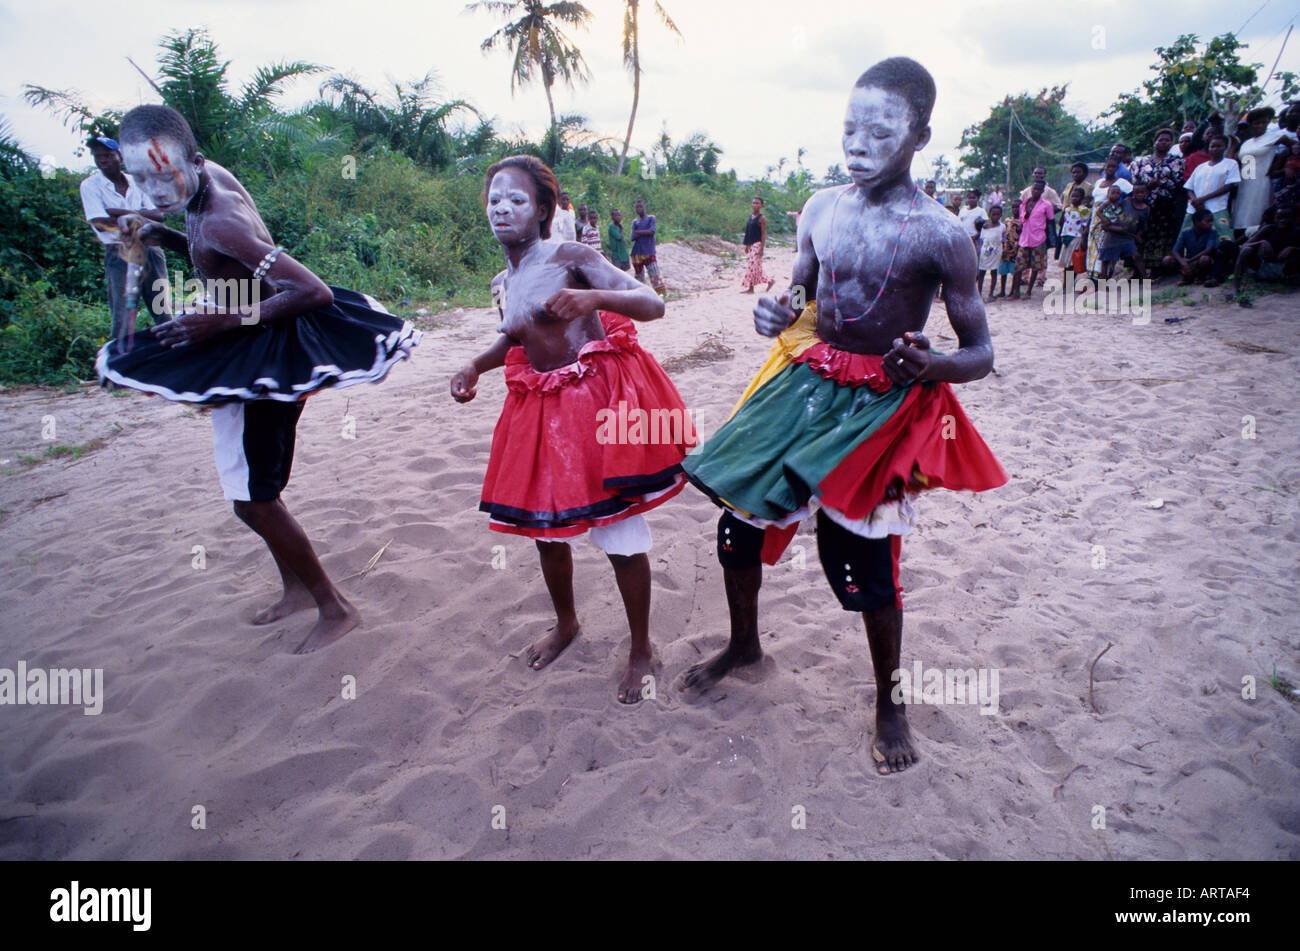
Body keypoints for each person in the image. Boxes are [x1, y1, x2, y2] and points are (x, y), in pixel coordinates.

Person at [678, 58, 1006, 775]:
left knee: (863, 561)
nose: (858, 142)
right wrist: (777, 311)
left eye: (880, 129)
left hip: (883, 401)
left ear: (920, 135)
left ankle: (890, 702)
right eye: (850, 127)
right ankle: (744, 643)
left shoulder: (942, 233)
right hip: (806, 381)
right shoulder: (821, 207)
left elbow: (980, 350)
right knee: (736, 525)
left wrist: (937, 364)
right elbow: (799, 292)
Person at [98, 105, 420, 654]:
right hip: (251, 344)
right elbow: (215, 254)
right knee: (253, 490)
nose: (153, 191)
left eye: (164, 176)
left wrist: (221, 320)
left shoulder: (220, 215)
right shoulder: (205, 181)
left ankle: (334, 607)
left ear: (194, 161)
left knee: (253, 499)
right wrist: (163, 234)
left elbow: (311, 291)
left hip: (261, 355)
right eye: (141, 178)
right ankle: (296, 587)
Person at [450, 156, 692, 704]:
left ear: (541, 210)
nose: (502, 210)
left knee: (619, 532)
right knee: (544, 529)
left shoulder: (572, 255)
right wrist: (474, 366)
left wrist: (593, 298)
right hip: (540, 407)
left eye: (515, 200)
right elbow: (513, 337)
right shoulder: (504, 280)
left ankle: (640, 649)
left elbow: (652, 303)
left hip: (596, 403)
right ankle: (567, 623)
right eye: (493, 201)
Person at [79, 135, 170, 344]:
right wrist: (139, 216)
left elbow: (159, 216)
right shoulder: (90, 185)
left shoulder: (138, 182)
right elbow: (99, 221)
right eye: (98, 156)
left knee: (161, 306)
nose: (103, 160)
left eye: (108, 155)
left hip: (150, 248)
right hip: (119, 250)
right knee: (122, 311)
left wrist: (122, 214)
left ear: (120, 156)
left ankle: (173, 355)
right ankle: (120, 363)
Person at [1232, 108, 1297, 239]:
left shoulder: (1275, 136)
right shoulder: (1247, 143)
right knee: (1241, 218)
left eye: (1264, 122)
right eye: (1257, 123)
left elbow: (1295, 147)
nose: (1261, 126)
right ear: (1251, 125)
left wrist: (1282, 161)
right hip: (1245, 183)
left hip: (1261, 182)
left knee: (1258, 216)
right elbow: (1239, 160)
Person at [1131, 128, 1186, 273]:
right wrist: (1148, 186)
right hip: (1145, 205)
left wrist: (1162, 184)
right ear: (1155, 142)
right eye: (1160, 139)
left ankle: (1159, 269)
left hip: (1165, 205)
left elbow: (1179, 183)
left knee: (1163, 235)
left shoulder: (1176, 161)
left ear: (1171, 143)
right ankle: (1139, 270)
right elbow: (1135, 183)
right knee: (1143, 235)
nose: (1163, 143)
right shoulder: (1141, 161)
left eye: (1167, 140)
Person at [1229, 204, 1300, 302]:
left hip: (1286, 269)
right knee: (1246, 250)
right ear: (1274, 218)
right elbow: (1245, 245)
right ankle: (1236, 288)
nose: (1282, 221)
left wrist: (1293, 249)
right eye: (1279, 217)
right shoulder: (1268, 229)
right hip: (1263, 266)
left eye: (1286, 218)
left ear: (1293, 219)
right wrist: (1261, 242)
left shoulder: (1297, 231)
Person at [1184, 134, 1240, 238]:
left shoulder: (1231, 164)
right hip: (1195, 209)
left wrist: (1203, 199)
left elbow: (1229, 186)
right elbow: (1189, 187)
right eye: (1212, 146)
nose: (1215, 149)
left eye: (1219, 146)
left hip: (1216, 207)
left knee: (1223, 237)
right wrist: (1195, 200)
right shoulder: (1200, 167)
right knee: (1189, 238)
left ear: (1225, 147)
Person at [1087, 156, 1132, 276]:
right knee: (1093, 247)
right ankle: (1092, 278)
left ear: (1117, 168)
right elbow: (1093, 202)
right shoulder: (1098, 182)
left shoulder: (1121, 183)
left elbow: (1131, 197)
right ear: (1104, 167)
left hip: (1108, 219)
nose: (1110, 168)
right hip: (1095, 218)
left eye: (1113, 166)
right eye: (1108, 166)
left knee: (1105, 249)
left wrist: (1121, 213)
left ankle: (1104, 278)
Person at [1097, 181, 1149, 280]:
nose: (1140, 195)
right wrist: (1105, 222)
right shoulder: (1126, 202)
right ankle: (1103, 283)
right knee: (1106, 260)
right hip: (1112, 236)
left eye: (1142, 192)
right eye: (1137, 192)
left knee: (1136, 256)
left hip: (1126, 236)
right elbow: (1100, 213)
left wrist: (1138, 235)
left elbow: (1143, 225)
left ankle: (1145, 279)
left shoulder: (1145, 209)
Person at [1011, 180, 1054, 298]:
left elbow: (1051, 222)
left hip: (1039, 239)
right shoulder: (1023, 204)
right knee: (1019, 266)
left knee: (1035, 267)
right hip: (1024, 240)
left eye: (1039, 189)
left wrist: (1051, 241)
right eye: (1034, 189)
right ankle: (1016, 292)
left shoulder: (1046, 205)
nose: (1036, 191)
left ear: (1042, 191)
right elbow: (1021, 222)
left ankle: (1029, 291)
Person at [1162, 207, 1224, 286]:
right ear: (1197, 222)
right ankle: (1186, 277)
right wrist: (1183, 263)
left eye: (1211, 221)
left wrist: (1189, 261)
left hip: (1199, 261)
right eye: (1208, 221)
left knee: (1205, 259)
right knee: (1167, 260)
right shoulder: (1185, 233)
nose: (1211, 223)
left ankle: (1200, 277)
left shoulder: (1212, 232)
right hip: (1188, 260)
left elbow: (1208, 250)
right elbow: (1175, 251)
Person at [630, 198, 666, 294]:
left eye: (640, 207)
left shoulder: (651, 218)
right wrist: (643, 232)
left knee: (654, 273)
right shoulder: (635, 222)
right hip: (636, 252)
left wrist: (638, 232)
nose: (639, 209)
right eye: (637, 207)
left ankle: (661, 294)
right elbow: (632, 237)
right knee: (639, 276)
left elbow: (652, 231)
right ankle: (640, 295)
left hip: (649, 251)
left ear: (644, 207)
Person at [741, 196, 775, 293]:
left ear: (761, 206)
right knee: (756, 267)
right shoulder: (751, 217)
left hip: (757, 245)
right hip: (751, 244)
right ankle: (770, 281)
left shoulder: (762, 218)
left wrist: (762, 249)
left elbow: (763, 234)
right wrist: (747, 245)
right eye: (753, 203)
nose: (755, 205)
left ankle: (751, 289)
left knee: (752, 266)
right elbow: (748, 232)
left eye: (757, 203)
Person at [1059, 185, 1090, 284]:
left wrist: (1084, 241)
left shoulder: (1084, 210)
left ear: (1082, 198)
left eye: (1076, 197)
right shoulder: (1068, 209)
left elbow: (1085, 227)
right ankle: (1065, 285)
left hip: (1076, 238)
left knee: (1073, 263)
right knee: (1066, 263)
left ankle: (1068, 285)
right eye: (1072, 196)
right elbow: (1061, 223)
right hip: (1066, 237)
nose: (1074, 199)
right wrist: (1063, 212)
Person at [976, 202, 1005, 299]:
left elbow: (1003, 239)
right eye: (993, 214)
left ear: (1001, 215)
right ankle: (978, 293)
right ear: (989, 214)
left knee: (994, 272)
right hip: (985, 252)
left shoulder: (1002, 227)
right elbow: (982, 239)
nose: (996, 216)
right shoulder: (984, 226)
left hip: (996, 253)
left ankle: (991, 294)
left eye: (998, 214)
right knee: (982, 273)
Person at [994, 198, 1022, 297]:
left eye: (1017, 207)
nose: (1015, 209)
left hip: (1016, 250)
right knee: (1003, 271)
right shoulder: (1008, 221)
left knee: (1014, 271)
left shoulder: (1022, 222)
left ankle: (1012, 291)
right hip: (1005, 249)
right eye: (1013, 207)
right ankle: (1002, 291)